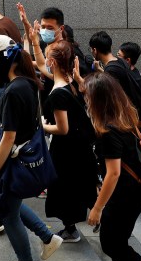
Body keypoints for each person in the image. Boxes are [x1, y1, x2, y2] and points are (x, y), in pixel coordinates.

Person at [0, 34, 63, 261]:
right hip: (24, 154)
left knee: (8, 211)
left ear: (6, 62)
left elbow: (8, 136)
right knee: (12, 204)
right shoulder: (28, 82)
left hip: (13, 158)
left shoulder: (13, 90)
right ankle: (47, 237)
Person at [82, 72, 141, 261]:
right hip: (134, 190)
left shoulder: (108, 132)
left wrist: (97, 208)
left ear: (98, 101)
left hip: (124, 194)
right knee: (119, 240)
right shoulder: (124, 120)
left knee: (110, 244)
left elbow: (113, 173)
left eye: (87, 97)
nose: (85, 100)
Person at [41, 39, 98, 243]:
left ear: (54, 62)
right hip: (78, 148)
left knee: (67, 189)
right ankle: (85, 221)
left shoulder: (58, 93)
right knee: (81, 187)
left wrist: (41, 126)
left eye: (47, 56)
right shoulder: (70, 83)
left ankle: (72, 229)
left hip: (66, 150)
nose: (45, 60)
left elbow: (62, 128)